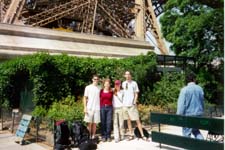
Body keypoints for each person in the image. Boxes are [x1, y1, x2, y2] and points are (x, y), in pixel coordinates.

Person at [177, 72, 204, 139]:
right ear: (194, 79)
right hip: (198, 115)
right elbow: (202, 102)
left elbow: (181, 105)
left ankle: (189, 146)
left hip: (188, 116)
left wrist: (179, 115)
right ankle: (202, 145)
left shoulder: (184, 90)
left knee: (186, 133)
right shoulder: (200, 89)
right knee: (196, 131)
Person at [122, 71, 146, 140]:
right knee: (128, 120)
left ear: (130, 75)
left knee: (137, 120)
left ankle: (142, 135)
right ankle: (131, 135)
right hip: (125, 105)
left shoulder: (134, 83)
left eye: (128, 74)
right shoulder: (123, 83)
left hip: (132, 105)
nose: (127, 75)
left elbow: (136, 93)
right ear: (124, 76)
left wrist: (134, 101)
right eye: (126, 74)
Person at [83, 75, 101, 139]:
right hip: (89, 107)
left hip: (97, 108)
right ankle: (89, 136)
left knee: (95, 123)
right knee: (89, 123)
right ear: (92, 79)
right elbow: (85, 98)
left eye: (97, 79)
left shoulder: (100, 87)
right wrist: (85, 107)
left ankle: (93, 136)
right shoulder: (88, 87)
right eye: (95, 79)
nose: (96, 80)